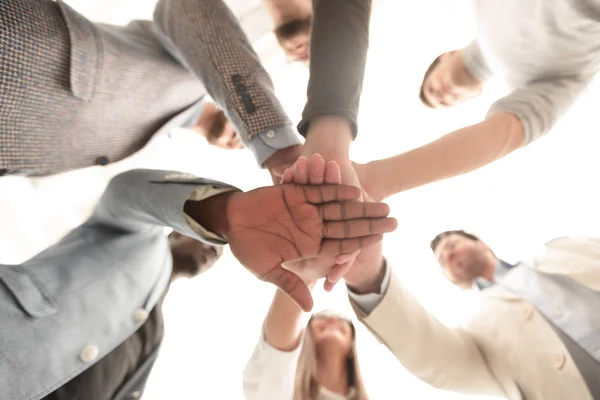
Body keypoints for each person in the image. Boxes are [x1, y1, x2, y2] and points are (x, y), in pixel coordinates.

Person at [0, 167, 397, 400]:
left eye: (218, 251)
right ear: (176, 230)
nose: (215, 251)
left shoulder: (152, 332)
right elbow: (124, 193)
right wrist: (221, 214)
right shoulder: (136, 238)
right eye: (210, 241)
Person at [0, 0, 302, 178]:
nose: (239, 142)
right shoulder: (196, 71)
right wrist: (267, 131)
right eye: (246, 140)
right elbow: (184, 7)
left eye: (238, 149)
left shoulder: (151, 150)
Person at [243, 155, 380, 400]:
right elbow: (278, 348)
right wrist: (306, 271)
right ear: (304, 337)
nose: (331, 321)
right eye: (320, 319)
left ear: (352, 346)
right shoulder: (284, 386)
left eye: (341, 321)